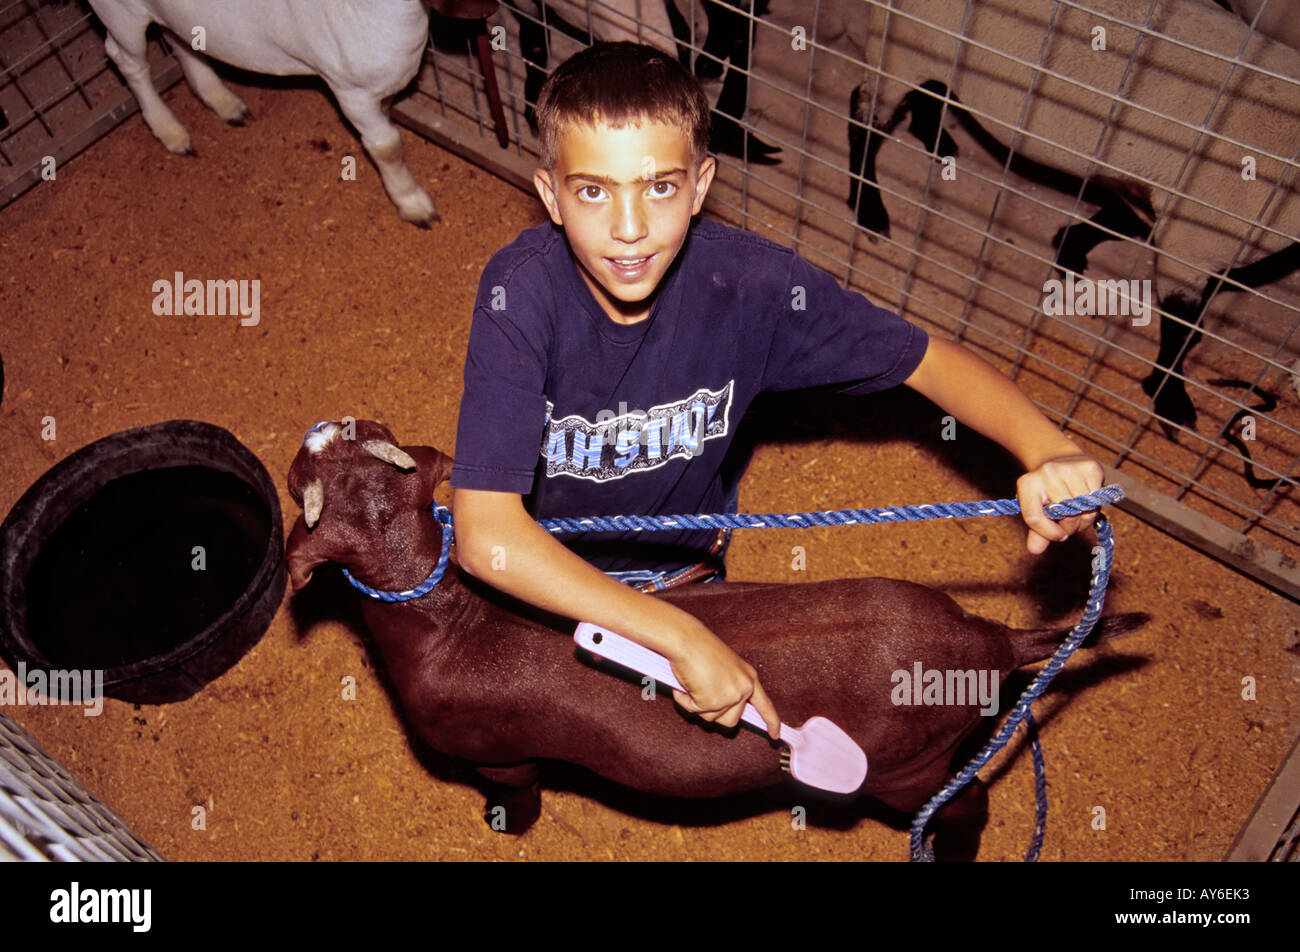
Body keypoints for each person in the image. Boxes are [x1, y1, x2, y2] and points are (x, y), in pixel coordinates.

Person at [450, 41, 1102, 741]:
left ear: (701, 186)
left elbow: (929, 361)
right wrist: (676, 637)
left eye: (660, 187)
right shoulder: (518, 294)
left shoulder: (756, 289)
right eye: (593, 190)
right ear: (550, 193)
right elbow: (487, 536)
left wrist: (1046, 446)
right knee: (509, 720)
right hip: (547, 578)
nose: (630, 228)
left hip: (685, 571)